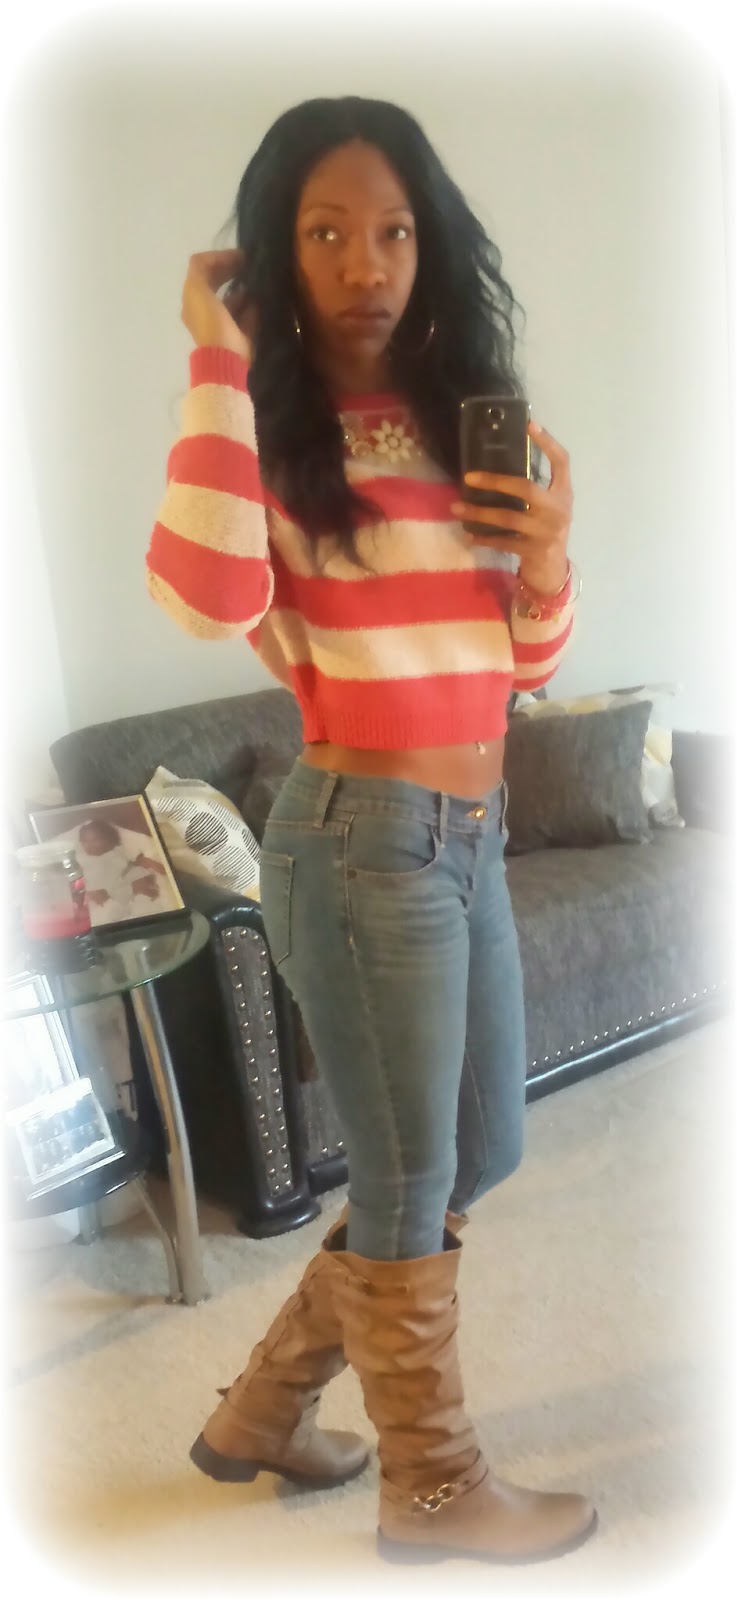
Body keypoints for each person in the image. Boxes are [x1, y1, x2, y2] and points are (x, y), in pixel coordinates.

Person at [145, 96, 595, 1565]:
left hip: (470, 834)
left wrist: (547, 557)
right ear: (276, 254)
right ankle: (435, 1489)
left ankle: (261, 1412)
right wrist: (214, 354)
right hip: (357, 839)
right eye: (325, 232)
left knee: (480, 1149)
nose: (365, 264)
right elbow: (206, 597)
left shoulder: (464, 418)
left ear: (430, 242)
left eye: (393, 230)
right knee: (408, 1178)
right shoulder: (265, 436)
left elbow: (525, 664)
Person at [76, 819, 167, 922]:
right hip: (96, 891)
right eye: (84, 841)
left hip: (120, 887)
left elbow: (136, 862)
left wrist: (150, 866)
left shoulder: (118, 852)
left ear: (108, 840)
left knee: (139, 888)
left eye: (95, 840)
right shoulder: (82, 858)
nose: (89, 845)